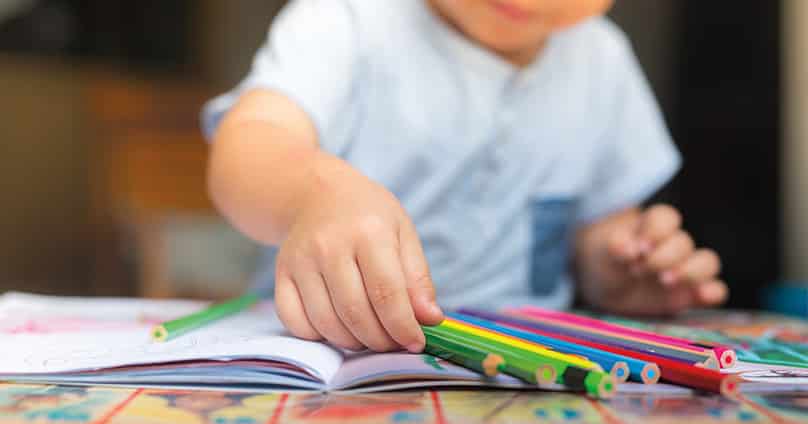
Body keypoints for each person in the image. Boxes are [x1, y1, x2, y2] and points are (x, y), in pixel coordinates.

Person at [202, 0, 727, 354]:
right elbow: (249, 145)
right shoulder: (347, 17)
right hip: (331, 353)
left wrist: (618, 267)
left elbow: (596, 227)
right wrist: (313, 193)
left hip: (525, 365)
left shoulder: (603, 58)